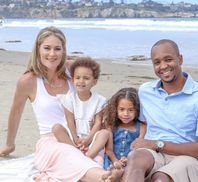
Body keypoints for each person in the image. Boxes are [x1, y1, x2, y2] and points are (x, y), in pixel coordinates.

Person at [0, 26, 122, 182]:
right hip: (51, 140)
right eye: (47, 48)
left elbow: (92, 80)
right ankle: (103, 177)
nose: (52, 54)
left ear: (63, 51)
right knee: (67, 154)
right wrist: (9, 144)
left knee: (84, 152)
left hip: (82, 137)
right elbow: (15, 113)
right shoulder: (28, 81)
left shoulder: (72, 70)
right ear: (38, 50)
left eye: (57, 49)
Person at [121, 39, 198, 182]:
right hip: (154, 155)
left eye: (168, 59)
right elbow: (143, 122)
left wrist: (156, 144)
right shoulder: (145, 91)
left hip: (190, 159)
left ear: (180, 59)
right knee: (135, 158)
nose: (163, 66)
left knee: (160, 178)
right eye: (157, 62)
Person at [52, 57, 108, 166]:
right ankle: (75, 152)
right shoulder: (69, 98)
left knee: (104, 133)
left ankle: (87, 156)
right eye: (77, 77)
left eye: (86, 78)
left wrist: (88, 140)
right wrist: (75, 138)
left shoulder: (99, 100)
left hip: (91, 137)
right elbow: (70, 120)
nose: (81, 81)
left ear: (94, 82)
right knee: (56, 128)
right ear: (73, 80)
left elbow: (98, 123)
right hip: (74, 137)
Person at [103, 87, 146, 169]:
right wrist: (116, 161)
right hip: (112, 161)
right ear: (115, 109)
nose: (126, 114)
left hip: (132, 162)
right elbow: (109, 150)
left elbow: (139, 149)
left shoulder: (142, 127)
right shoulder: (111, 125)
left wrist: (128, 160)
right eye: (122, 109)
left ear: (137, 110)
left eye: (130, 110)